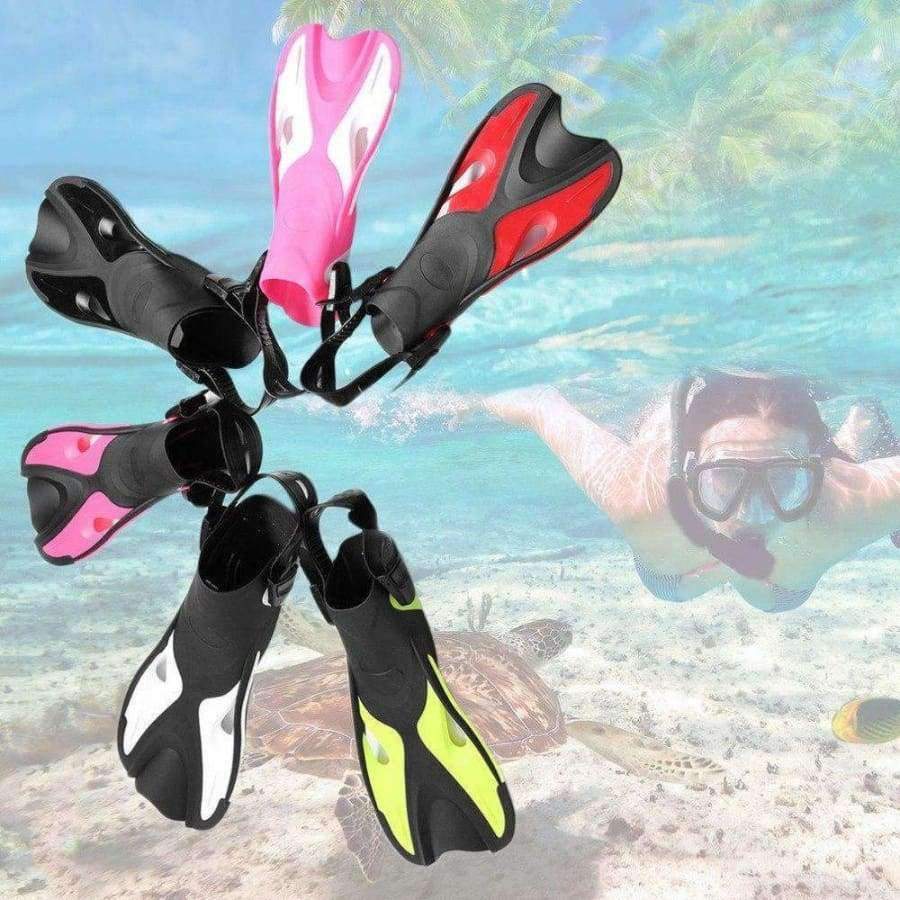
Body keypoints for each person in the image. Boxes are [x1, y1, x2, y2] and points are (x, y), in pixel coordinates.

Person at [484, 372, 900, 612]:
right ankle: (666, 413)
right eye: (726, 477)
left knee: (771, 600)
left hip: (780, 591)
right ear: (689, 470)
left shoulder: (846, 506)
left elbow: (538, 403)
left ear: (816, 472)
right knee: (671, 589)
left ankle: (856, 433)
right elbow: (539, 404)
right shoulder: (640, 498)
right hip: (676, 576)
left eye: (783, 479)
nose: (752, 514)